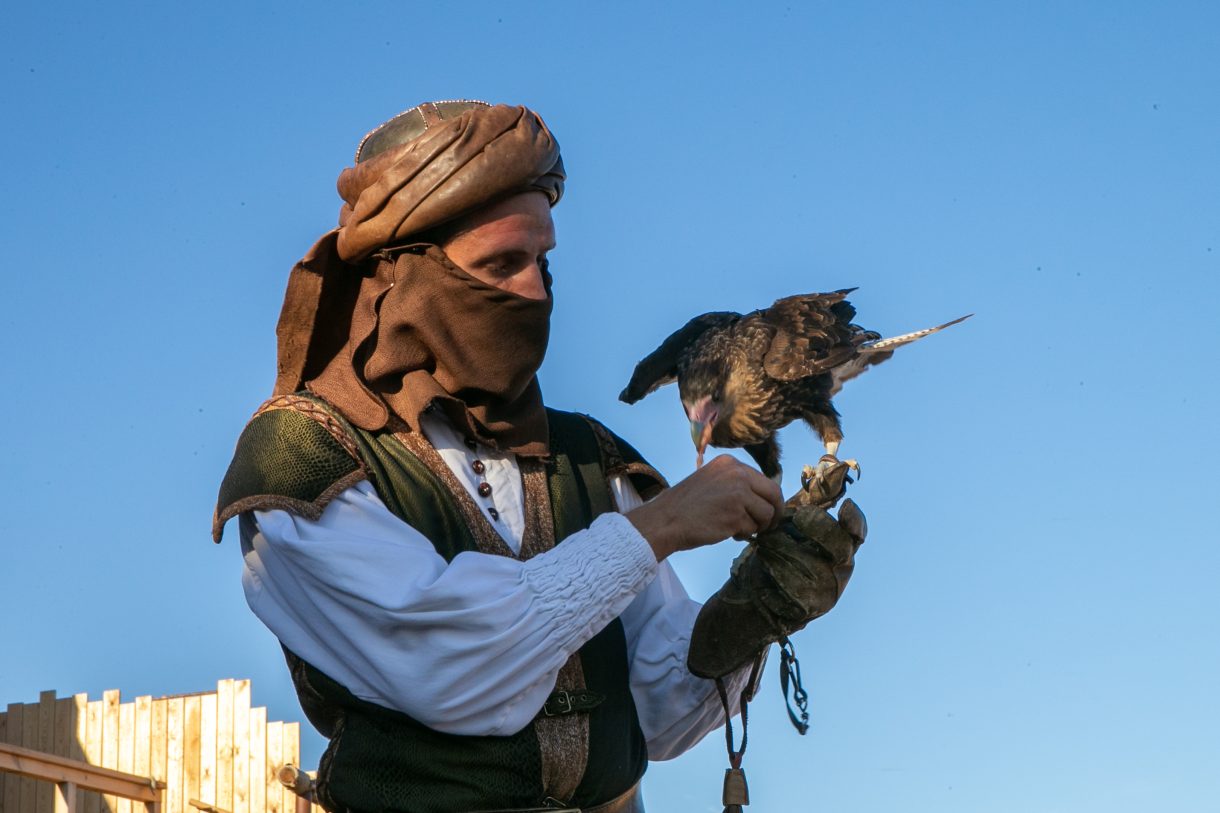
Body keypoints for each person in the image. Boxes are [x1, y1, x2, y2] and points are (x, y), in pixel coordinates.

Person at [213, 100, 863, 813]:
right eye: (501, 263)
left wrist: (757, 603)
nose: (534, 288)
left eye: (542, 261)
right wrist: (661, 526)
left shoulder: (586, 456)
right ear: (403, 279)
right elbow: (456, 667)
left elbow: (658, 710)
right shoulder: (302, 459)